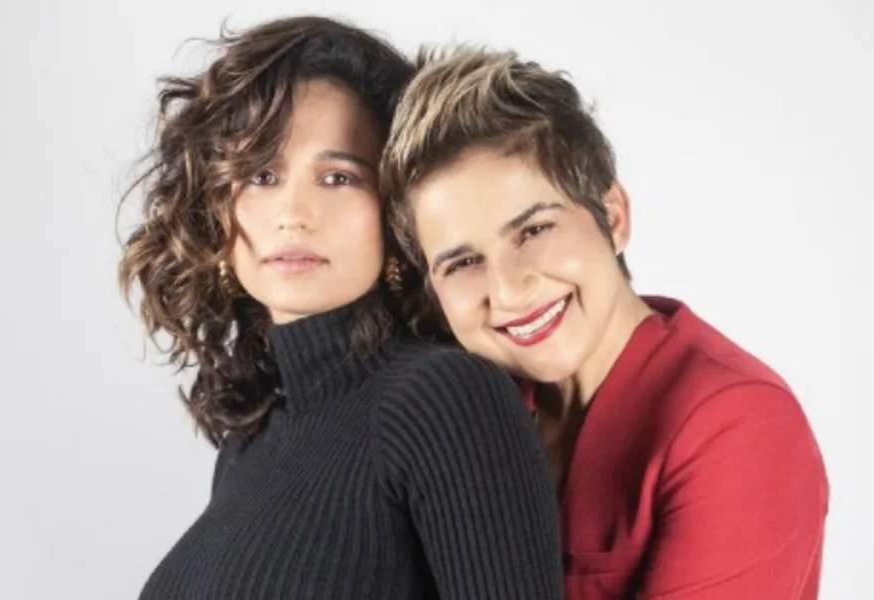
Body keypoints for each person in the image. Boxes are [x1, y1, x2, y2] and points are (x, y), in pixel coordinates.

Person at [119, 20, 564, 599]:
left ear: (396, 211)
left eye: (337, 177)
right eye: (261, 175)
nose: (293, 214)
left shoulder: (444, 397)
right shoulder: (249, 441)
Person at [380, 48, 829, 599]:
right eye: (463, 263)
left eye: (534, 230)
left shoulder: (736, 423)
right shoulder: (469, 410)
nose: (509, 290)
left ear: (612, 218)